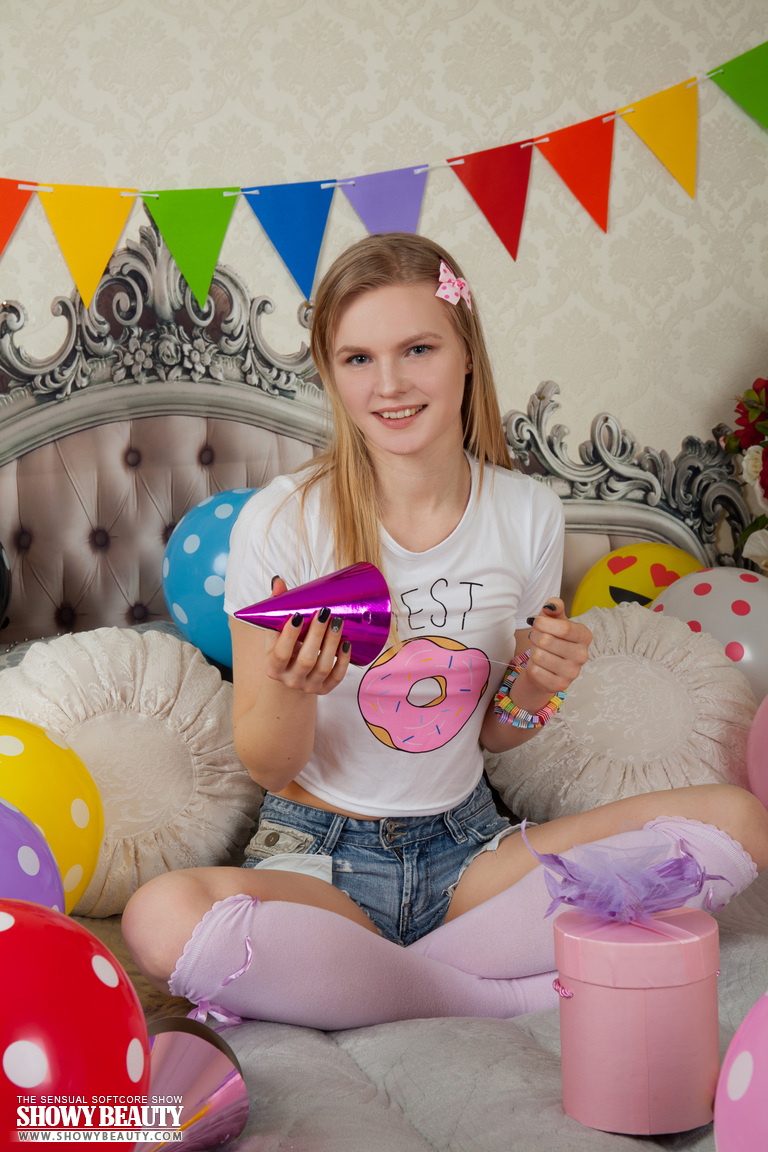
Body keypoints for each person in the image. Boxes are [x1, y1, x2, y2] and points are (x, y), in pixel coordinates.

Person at [123, 234, 768, 1030]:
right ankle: (484, 993)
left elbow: (497, 733)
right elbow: (270, 763)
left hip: (469, 856)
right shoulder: (283, 521)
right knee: (160, 917)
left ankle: (369, 984)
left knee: (739, 823)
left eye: (418, 349)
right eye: (358, 359)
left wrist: (538, 685)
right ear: (331, 372)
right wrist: (294, 688)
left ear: (466, 354)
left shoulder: (526, 513)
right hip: (318, 863)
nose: (389, 384)